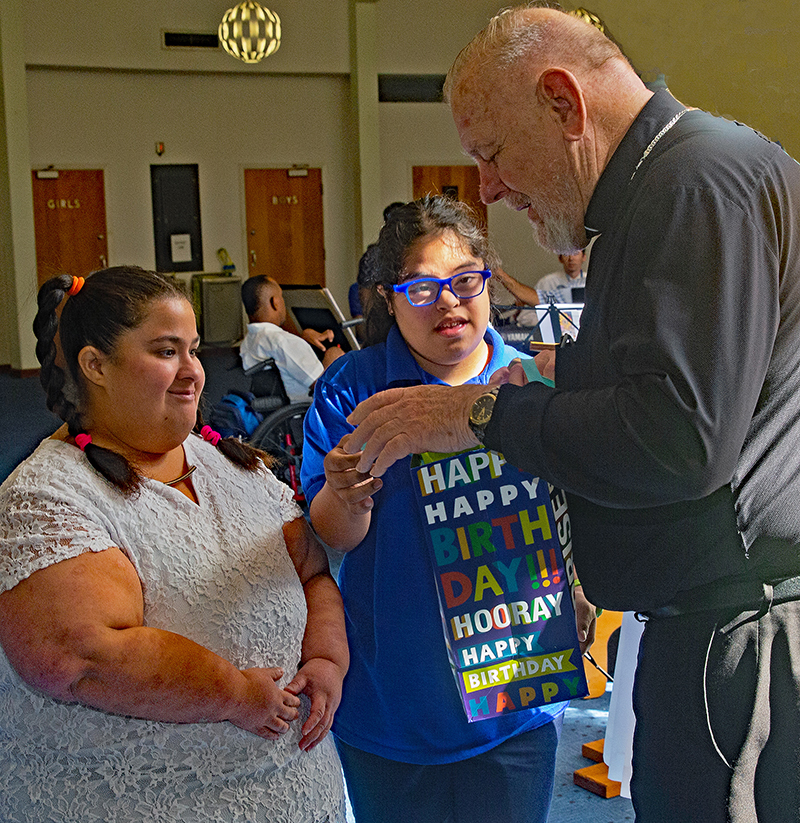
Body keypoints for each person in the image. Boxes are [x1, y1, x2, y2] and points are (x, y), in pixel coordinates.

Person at [337, 6, 800, 823]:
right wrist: (576, 376)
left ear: (563, 103)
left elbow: (680, 438)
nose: (488, 189)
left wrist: (480, 415)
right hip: (713, 629)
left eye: (492, 153)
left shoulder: (691, 183)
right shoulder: (666, 190)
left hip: (737, 637)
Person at [0, 266, 349, 822]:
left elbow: (312, 572)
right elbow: (79, 658)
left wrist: (328, 659)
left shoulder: (230, 463)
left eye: (193, 350)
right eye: (167, 352)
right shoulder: (47, 498)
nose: (194, 372)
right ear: (95, 366)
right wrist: (232, 693)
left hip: (297, 793)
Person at [300, 195, 596, 823]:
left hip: (516, 700)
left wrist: (579, 583)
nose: (450, 302)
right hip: (393, 698)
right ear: (388, 297)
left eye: (465, 282)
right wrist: (348, 493)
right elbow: (329, 537)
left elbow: (575, 501)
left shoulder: (532, 382)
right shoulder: (353, 389)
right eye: (423, 289)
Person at [240, 275, 344, 401]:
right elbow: (323, 388)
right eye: (282, 297)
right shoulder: (283, 342)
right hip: (304, 411)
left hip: (274, 413)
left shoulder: (249, 341)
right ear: (275, 302)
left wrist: (303, 337)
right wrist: (333, 355)